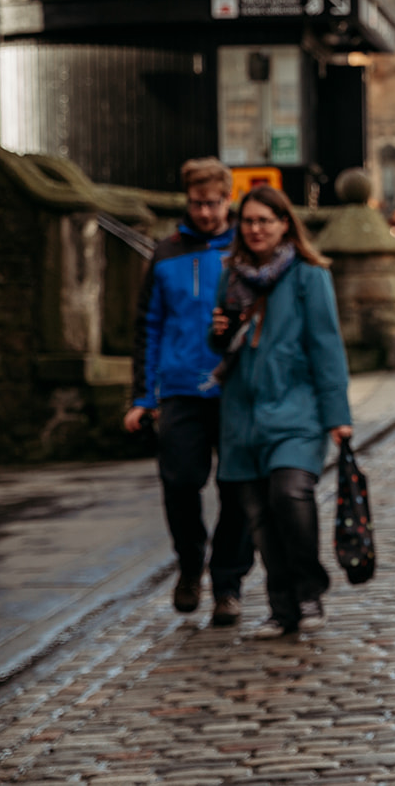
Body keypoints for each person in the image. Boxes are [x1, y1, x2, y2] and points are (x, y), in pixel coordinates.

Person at [209, 186, 354, 639]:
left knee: (290, 494)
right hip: (241, 414)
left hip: (297, 408)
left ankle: (309, 590)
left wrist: (337, 415)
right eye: (248, 221)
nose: (255, 229)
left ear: (284, 224)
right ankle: (281, 607)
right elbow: (223, 347)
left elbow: (326, 346)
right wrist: (218, 333)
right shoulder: (229, 275)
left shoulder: (310, 275)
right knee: (259, 517)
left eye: (264, 221)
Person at [126, 157, 254, 625]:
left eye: (214, 203)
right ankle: (189, 564)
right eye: (198, 204)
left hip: (236, 388)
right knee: (180, 484)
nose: (205, 212)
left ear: (228, 200)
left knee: (237, 489)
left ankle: (227, 584)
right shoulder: (166, 252)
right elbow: (148, 327)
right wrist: (142, 396)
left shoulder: (246, 248)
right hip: (179, 388)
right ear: (188, 201)